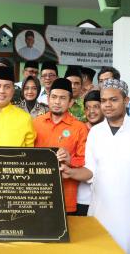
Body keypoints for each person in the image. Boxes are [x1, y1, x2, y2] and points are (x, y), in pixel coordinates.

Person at [83, 79, 130, 254]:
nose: (107, 105)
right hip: (100, 214)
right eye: (104, 100)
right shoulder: (95, 132)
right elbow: (90, 171)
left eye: (113, 100)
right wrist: (67, 169)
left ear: (126, 101)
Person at [33, 78, 88, 214]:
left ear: (70, 102)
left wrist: (70, 160)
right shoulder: (35, 123)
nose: (57, 102)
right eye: (54, 97)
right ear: (48, 99)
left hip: (66, 197)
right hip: (36, 194)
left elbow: (87, 162)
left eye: (63, 98)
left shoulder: (79, 128)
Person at [75, 90, 104, 216]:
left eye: (96, 107)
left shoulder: (110, 131)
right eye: (87, 108)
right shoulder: (78, 129)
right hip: (81, 195)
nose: (91, 111)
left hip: (104, 196)